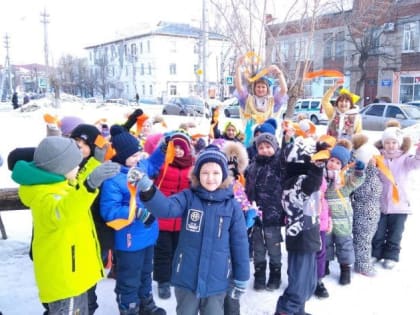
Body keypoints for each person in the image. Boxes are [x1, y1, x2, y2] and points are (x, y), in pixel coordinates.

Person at [11, 136, 120, 315]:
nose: (78, 167)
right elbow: (64, 212)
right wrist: (90, 185)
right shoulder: (44, 196)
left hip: (74, 272)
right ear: (59, 167)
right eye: (74, 165)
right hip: (65, 277)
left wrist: (95, 162)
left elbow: (78, 186)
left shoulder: (59, 183)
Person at [136, 145, 250, 315]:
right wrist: (148, 189)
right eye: (205, 172)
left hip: (216, 281)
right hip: (186, 278)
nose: (210, 178)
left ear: (224, 175)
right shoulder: (188, 197)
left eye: (216, 173)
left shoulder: (232, 206)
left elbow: (240, 244)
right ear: (197, 175)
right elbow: (166, 208)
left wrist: (241, 278)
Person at [99, 125, 166, 315]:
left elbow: (152, 164)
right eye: (134, 155)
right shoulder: (113, 178)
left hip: (148, 233)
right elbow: (109, 210)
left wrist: (162, 148)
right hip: (128, 238)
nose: (139, 159)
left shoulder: (140, 166)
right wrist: (136, 212)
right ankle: (129, 307)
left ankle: (146, 304)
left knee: (146, 272)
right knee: (129, 277)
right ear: (121, 155)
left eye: (139, 154)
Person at [274, 135, 326, 315]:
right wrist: (317, 165)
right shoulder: (293, 182)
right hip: (300, 237)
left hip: (309, 234)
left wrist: (319, 158)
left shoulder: (301, 177)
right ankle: (286, 310)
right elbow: (312, 184)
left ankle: (298, 309)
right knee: (299, 282)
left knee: (309, 282)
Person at [371, 122, 420, 269]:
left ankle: (391, 255)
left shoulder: (405, 158)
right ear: (383, 143)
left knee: (395, 233)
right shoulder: (378, 157)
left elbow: (416, 164)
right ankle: (376, 253)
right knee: (378, 231)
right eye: (387, 142)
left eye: (394, 142)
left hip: (400, 205)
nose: (391, 145)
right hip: (381, 203)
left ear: (399, 143)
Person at [152, 131, 194, 300]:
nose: (177, 151)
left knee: (180, 251)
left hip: (182, 218)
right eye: (174, 147)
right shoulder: (163, 164)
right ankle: (163, 281)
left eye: (181, 148)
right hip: (163, 217)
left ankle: (177, 276)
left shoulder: (193, 166)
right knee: (163, 251)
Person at [245, 132, 284, 291]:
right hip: (256, 216)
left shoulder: (279, 164)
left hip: (273, 215)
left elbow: (285, 155)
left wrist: (287, 138)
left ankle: (275, 275)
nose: (265, 150)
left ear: (275, 147)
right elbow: (247, 186)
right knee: (258, 248)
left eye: (268, 147)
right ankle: (259, 275)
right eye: (261, 147)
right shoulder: (252, 166)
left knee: (273, 247)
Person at [324, 140, 365, 285]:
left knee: (344, 244)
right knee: (326, 243)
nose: (333, 164)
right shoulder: (323, 178)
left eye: (337, 163)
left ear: (343, 166)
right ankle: (325, 265)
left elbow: (356, 181)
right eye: (331, 160)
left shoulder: (345, 180)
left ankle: (345, 269)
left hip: (343, 220)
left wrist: (359, 172)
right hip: (326, 220)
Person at [234, 55, 287, 146]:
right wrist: (238, 67)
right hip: (251, 136)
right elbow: (239, 87)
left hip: (267, 135)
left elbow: (284, 90)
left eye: (263, 87)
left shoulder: (272, 101)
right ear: (254, 88)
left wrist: (279, 73)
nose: (261, 89)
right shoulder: (248, 99)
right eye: (258, 87)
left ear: (267, 89)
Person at [351, 134, 382, 276]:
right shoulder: (362, 177)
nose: (377, 161)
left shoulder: (373, 174)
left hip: (371, 213)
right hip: (364, 214)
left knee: (365, 239)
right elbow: (367, 192)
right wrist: (371, 170)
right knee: (363, 239)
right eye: (374, 159)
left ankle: (362, 262)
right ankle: (362, 265)